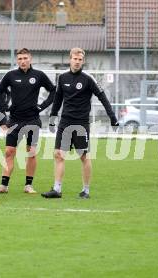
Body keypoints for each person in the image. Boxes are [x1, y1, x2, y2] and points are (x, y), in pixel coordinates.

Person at [41, 48, 119, 199]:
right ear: (70, 59)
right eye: (75, 59)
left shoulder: (88, 79)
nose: (77, 62)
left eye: (80, 59)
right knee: (58, 155)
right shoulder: (62, 78)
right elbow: (57, 99)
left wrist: (112, 116)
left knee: (83, 156)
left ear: (83, 61)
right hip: (65, 122)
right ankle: (57, 189)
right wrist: (52, 118)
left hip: (81, 124)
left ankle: (86, 190)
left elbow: (102, 97)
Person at [0, 48, 56, 195]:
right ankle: (3, 186)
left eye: (25, 58)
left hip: (32, 119)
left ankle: (28, 185)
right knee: (9, 151)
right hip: (15, 120)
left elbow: (53, 91)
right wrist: (2, 106)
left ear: (30, 58)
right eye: (20, 59)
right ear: (17, 60)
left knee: (31, 152)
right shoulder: (11, 75)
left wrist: (42, 106)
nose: (22, 61)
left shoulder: (38, 75)